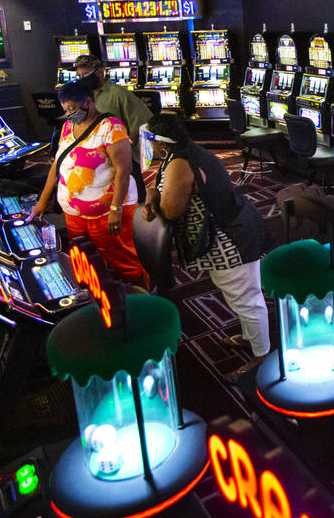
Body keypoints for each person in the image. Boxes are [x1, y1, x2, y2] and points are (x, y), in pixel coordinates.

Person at [141, 113, 272, 375]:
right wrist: (153, 194)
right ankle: (251, 338)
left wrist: (153, 198)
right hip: (224, 231)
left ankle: (263, 356)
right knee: (238, 295)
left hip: (231, 237)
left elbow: (171, 210)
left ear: (162, 142)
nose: (149, 146)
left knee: (246, 298)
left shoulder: (181, 163)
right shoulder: (180, 152)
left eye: (151, 141)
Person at [31, 79, 147, 287]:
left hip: (106, 212)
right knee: (83, 258)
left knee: (122, 259)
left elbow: (123, 170)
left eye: (72, 108)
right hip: (74, 212)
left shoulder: (111, 127)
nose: (69, 114)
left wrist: (115, 209)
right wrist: (43, 200)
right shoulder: (68, 125)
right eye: (65, 109)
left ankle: (140, 298)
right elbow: (58, 164)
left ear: (87, 102)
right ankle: (97, 296)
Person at [74, 54, 153, 143]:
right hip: (91, 151)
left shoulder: (118, 93)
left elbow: (144, 124)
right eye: (79, 75)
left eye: (85, 74)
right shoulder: (82, 96)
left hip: (116, 151)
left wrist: (125, 145)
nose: (82, 79)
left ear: (99, 72)